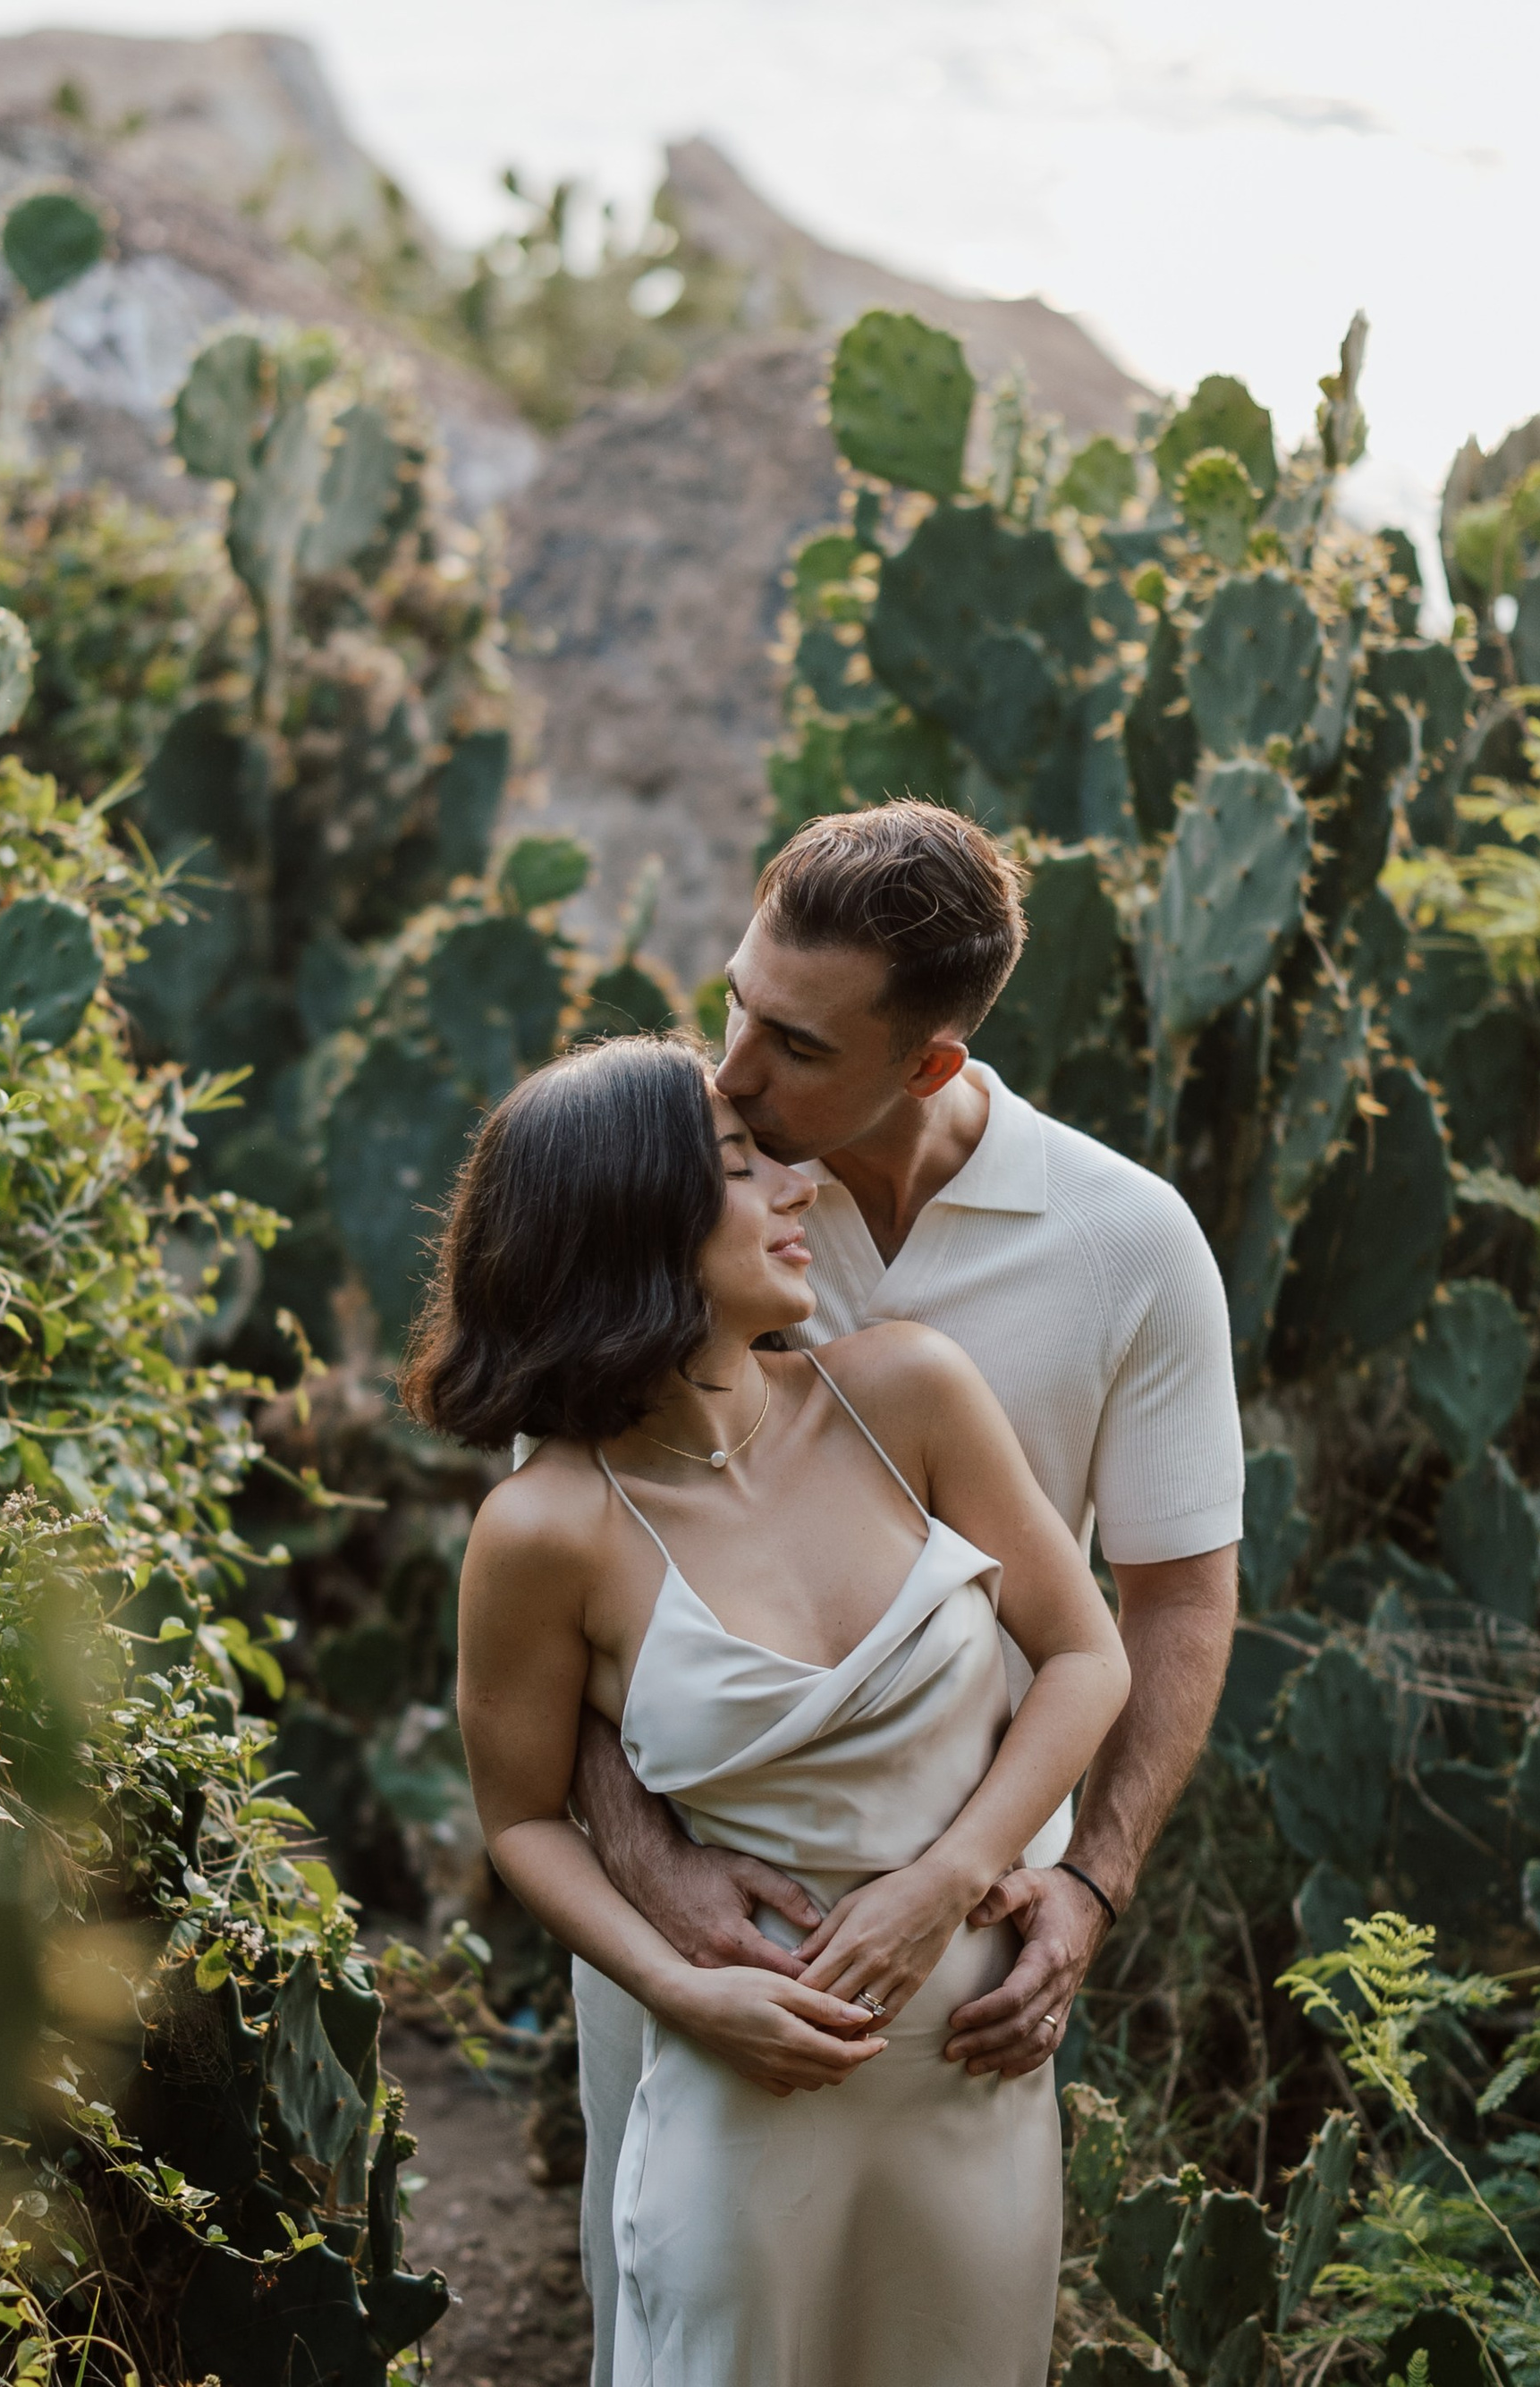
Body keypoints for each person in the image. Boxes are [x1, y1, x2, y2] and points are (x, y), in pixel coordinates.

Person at [560, 801, 1245, 2382]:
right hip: (694, 1958)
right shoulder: (664, 1187)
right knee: (668, 2326)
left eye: (793, 1045)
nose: (730, 1071)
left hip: (968, 1953)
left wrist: (1086, 1886)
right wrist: (659, 1883)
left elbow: (1176, 1606)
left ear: (931, 1064)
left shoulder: (1129, 1246)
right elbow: (567, 1591)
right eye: (735, 999)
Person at [413, 1031, 1130, 2387]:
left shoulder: (908, 1393)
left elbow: (1089, 1657)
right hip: (745, 2109)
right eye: (745, 1171)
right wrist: (685, 1992)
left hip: (974, 2097)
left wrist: (949, 1878)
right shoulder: (545, 1530)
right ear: (634, 1222)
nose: (801, 1190)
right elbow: (522, 1821)